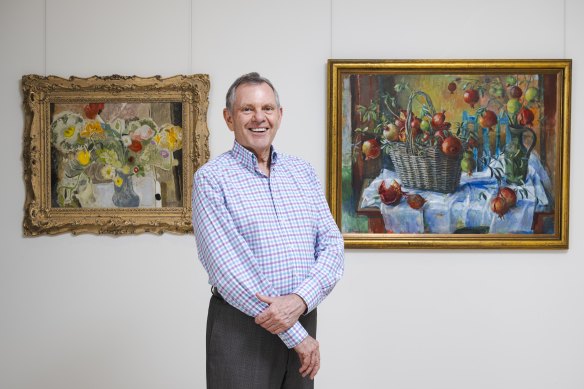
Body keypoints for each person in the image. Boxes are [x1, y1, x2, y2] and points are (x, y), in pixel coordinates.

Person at [192, 72, 344, 389]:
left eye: (268, 108)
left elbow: (332, 246)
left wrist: (301, 300)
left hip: (304, 317)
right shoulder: (211, 179)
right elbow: (227, 270)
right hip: (243, 328)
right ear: (228, 118)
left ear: (280, 115)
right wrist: (295, 335)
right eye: (247, 109)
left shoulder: (302, 172)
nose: (259, 118)